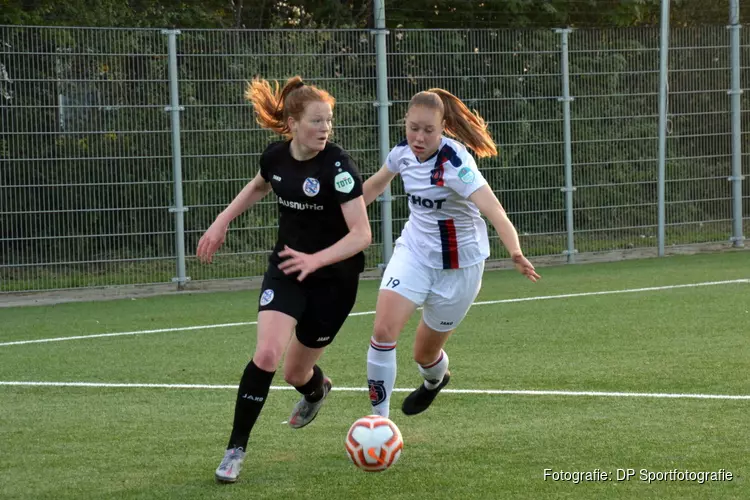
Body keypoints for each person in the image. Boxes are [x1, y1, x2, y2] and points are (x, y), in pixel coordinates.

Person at [196, 75, 371, 483]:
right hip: (289, 270)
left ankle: (316, 390)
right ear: (293, 123)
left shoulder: (339, 167)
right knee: (267, 356)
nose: (325, 128)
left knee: (295, 374)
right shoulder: (275, 157)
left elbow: (361, 235)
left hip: (335, 282)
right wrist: (222, 221)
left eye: (328, 121)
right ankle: (235, 449)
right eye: (316, 121)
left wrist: (318, 259)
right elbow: (258, 186)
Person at [362, 88, 540, 419]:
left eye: (428, 130)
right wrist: (339, 216)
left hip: (460, 268)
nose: (418, 136)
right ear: (405, 122)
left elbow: (495, 210)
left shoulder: (455, 163)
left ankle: (434, 381)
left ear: (443, 126)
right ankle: (379, 421)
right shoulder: (402, 153)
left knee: (425, 355)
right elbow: (374, 185)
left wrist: (514, 251)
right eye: (413, 127)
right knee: (383, 331)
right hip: (414, 254)